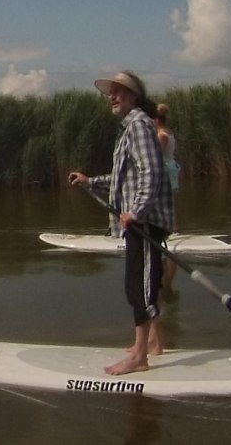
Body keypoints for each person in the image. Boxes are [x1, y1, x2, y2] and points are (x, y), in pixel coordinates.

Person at [67, 70, 175, 376]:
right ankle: (154, 343)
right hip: (141, 220)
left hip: (145, 221)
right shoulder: (130, 128)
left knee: (137, 287)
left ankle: (140, 356)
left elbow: (152, 172)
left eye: (119, 92)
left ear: (134, 95)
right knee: (147, 283)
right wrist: (91, 182)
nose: (112, 96)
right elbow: (124, 178)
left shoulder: (139, 125)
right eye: (111, 93)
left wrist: (137, 211)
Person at [156, 102, 181, 289]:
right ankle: (173, 233)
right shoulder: (169, 131)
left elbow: (157, 155)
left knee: (165, 204)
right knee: (170, 204)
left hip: (164, 170)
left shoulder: (162, 135)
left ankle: (170, 234)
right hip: (170, 168)